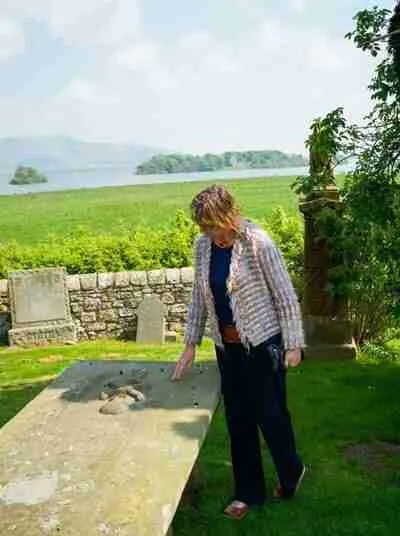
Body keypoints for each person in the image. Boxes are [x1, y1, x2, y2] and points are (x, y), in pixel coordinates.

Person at [171, 184, 306, 520]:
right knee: (239, 420)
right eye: (204, 227)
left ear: (229, 216)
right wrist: (190, 346)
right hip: (226, 347)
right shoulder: (203, 247)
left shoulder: (259, 243)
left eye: (213, 225)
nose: (209, 233)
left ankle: (291, 473)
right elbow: (199, 300)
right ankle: (249, 493)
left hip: (263, 343)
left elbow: (285, 296)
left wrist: (293, 344)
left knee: (271, 416)